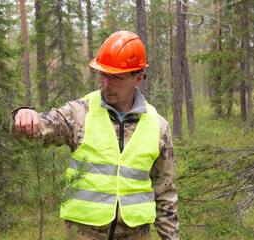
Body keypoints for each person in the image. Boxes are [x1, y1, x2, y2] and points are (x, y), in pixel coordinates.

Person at [11, 31, 179, 240]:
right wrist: (23, 116)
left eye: (116, 77)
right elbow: (34, 133)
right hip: (84, 235)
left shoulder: (159, 126)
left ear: (138, 77)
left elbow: (165, 195)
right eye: (102, 74)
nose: (107, 83)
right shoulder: (79, 114)